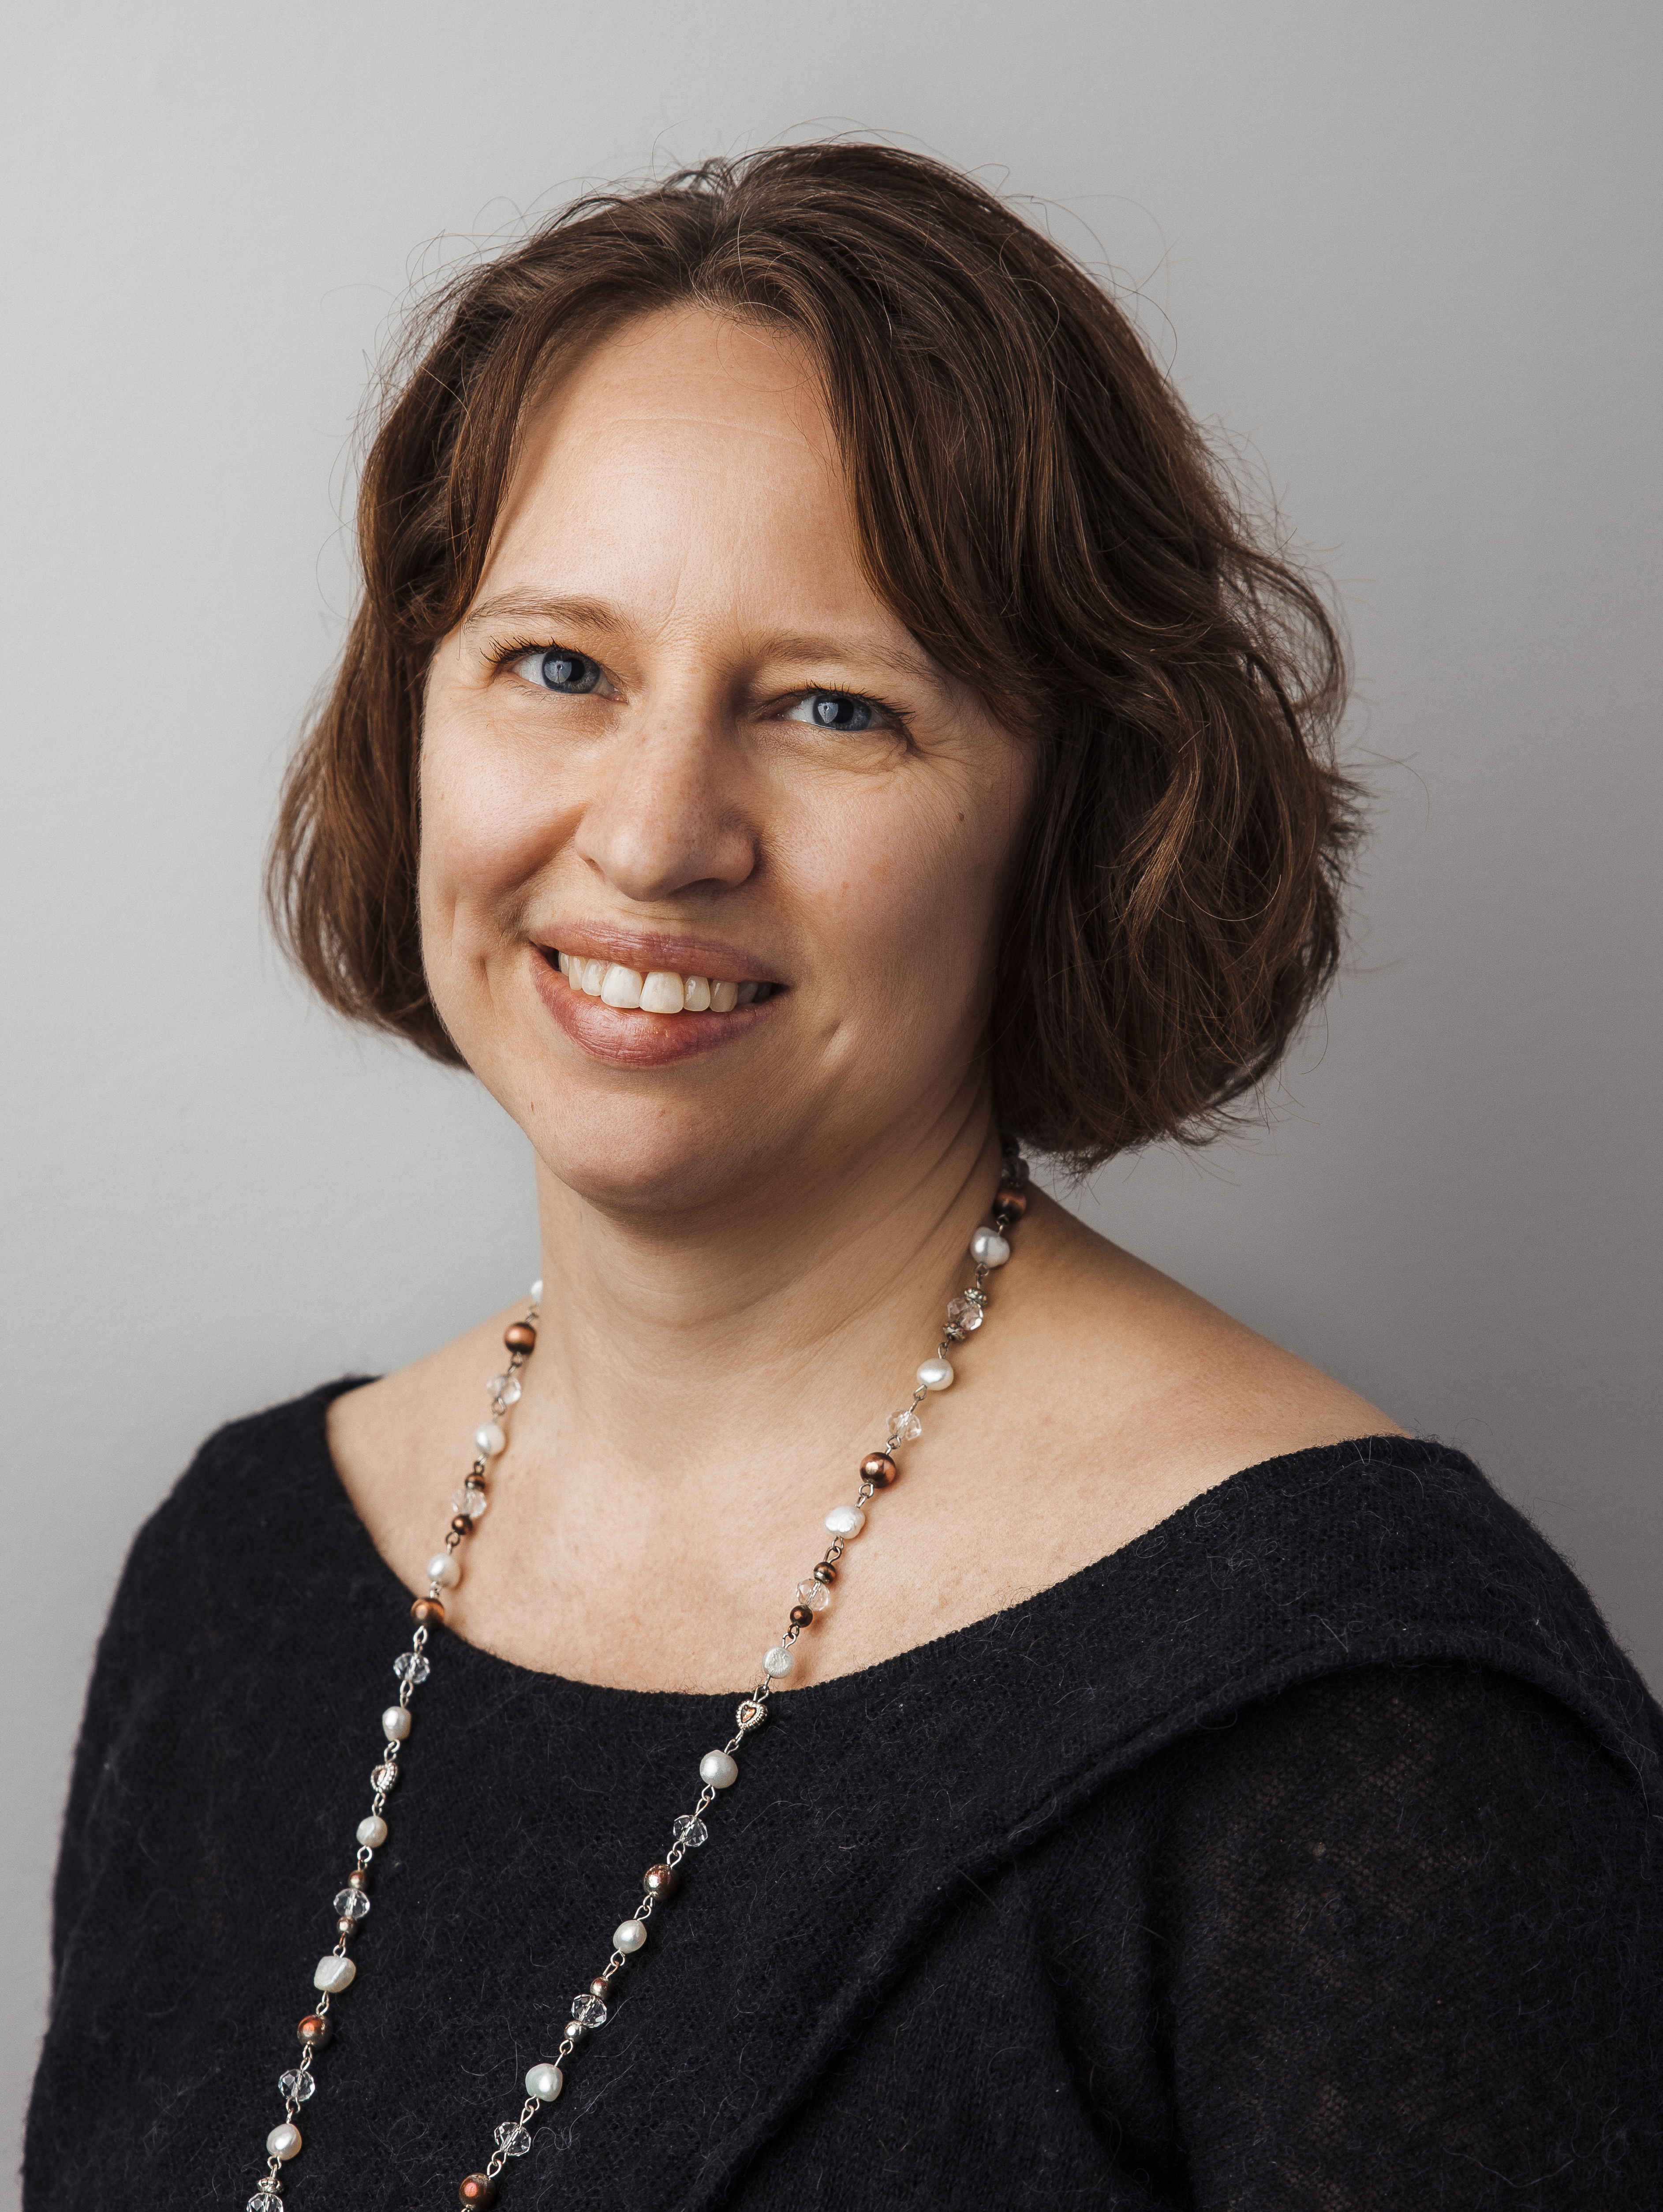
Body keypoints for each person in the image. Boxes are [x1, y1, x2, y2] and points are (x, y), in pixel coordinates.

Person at [25, 144, 1661, 2212]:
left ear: (1076, 819)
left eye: (830, 708)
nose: (654, 832)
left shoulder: (1369, 1723)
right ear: (411, 716)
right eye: (558, 666)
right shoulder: (240, 1579)